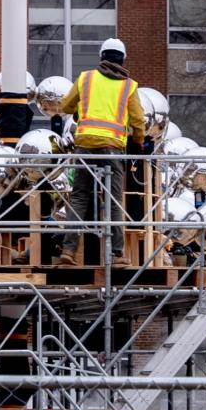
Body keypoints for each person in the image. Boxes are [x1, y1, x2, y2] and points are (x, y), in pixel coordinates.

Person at [57, 38, 146, 266]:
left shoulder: (86, 78)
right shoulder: (129, 86)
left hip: (85, 144)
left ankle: (68, 250)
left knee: (79, 196)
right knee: (114, 199)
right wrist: (138, 143)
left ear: (101, 57)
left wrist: (80, 112)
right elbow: (138, 120)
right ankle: (117, 254)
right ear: (123, 59)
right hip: (113, 148)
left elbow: (65, 106)